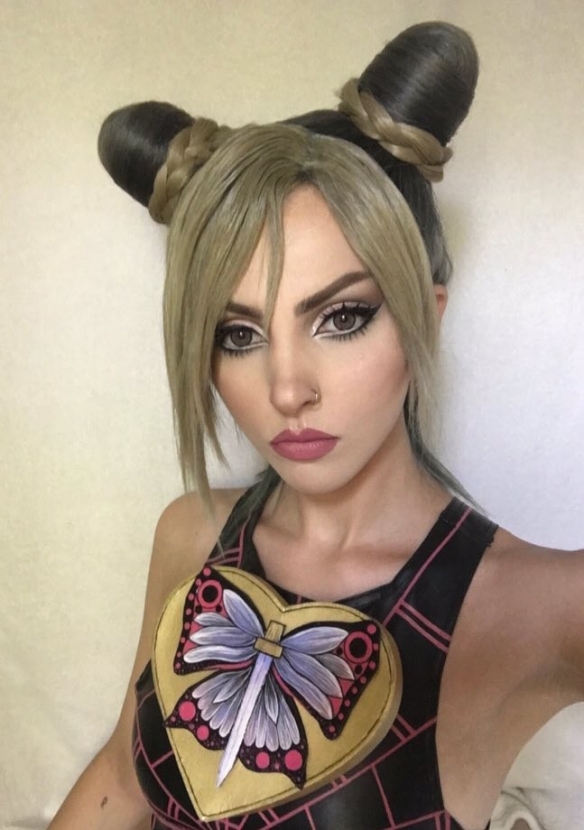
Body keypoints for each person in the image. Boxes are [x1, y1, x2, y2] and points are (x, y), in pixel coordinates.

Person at [48, 21, 584, 830]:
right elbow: (124, 781)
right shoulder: (192, 536)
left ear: (425, 316)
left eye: (341, 317)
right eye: (238, 334)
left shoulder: (538, 604)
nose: (287, 388)